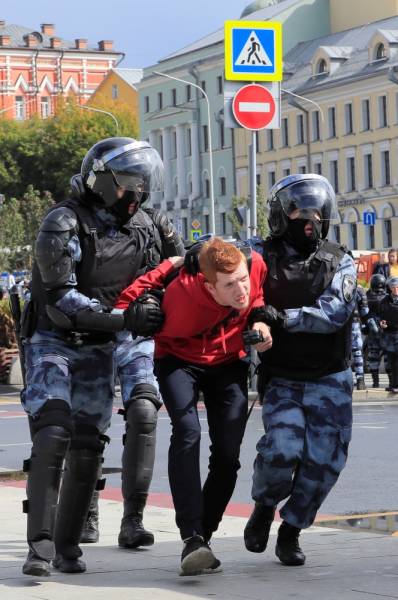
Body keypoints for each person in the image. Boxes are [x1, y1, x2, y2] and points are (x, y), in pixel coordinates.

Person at [20, 137, 167, 577]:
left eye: (141, 184)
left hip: (101, 347)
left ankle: (68, 547)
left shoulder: (146, 226)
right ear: (101, 180)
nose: (135, 193)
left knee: (88, 444)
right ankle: (39, 546)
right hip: (55, 342)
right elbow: (63, 298)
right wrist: (126, 320)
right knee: (53, 430)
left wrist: (158, 306)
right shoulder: (63, 222)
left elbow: (168, 275)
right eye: (126, 183)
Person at [116, 237, 273, 575]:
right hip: (178, 360)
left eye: (242, 279)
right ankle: (191, 535)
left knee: (229, 457)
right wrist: (167, 267)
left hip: (229, 361)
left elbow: (257, 297)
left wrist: (261, 324)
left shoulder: (254, 264)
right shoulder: (183, 290)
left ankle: (204, 536)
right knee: (187, 432)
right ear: (207, 284)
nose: (241, 290)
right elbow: (125, 301)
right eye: (230, 285)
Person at [244, 173, 356, 567]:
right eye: (298, 209)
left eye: (316, 210)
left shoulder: (342, 260)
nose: (308, 218)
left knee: (325, 462)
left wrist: (280, 317)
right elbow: (220, 264)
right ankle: (263, 506)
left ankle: (291, 530)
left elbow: (333, 313)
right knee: (282, 450)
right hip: (284, 378)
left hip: (330, 377)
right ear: (280, 214)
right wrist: (193, 254)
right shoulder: (257, 252)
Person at [81, 205, 185, 547]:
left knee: (144, 412)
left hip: (137, 335)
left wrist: (156, 303)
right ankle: (85, 512)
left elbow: (181, 272)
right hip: (90, 333)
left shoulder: (155, 222)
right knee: (87, 426)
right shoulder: (79, 218)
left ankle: (133, 520)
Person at [366, 274, 387, 388]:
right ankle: (381, 382)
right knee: (385, 357)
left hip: (378, 331)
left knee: (375, 357)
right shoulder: (387, 297)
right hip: (381, 331)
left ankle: (377, 382)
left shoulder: (367, 296)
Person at [380, 275, 398, 395]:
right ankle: (393, 384)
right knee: (391, 362)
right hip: (388, 335)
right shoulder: (384, 301)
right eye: (394, 287)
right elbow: (380, 316)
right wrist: (381, 323)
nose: (396, 289)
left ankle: (396, 385)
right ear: (390, 288)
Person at [351, 285, 370, 391]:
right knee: (358, 353)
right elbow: (365, 311)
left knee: (343, 355)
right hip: (354, 325)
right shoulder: (358, 289)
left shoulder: (333, 284)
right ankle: (360, 380)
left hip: (340, 326)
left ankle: (347, 381)